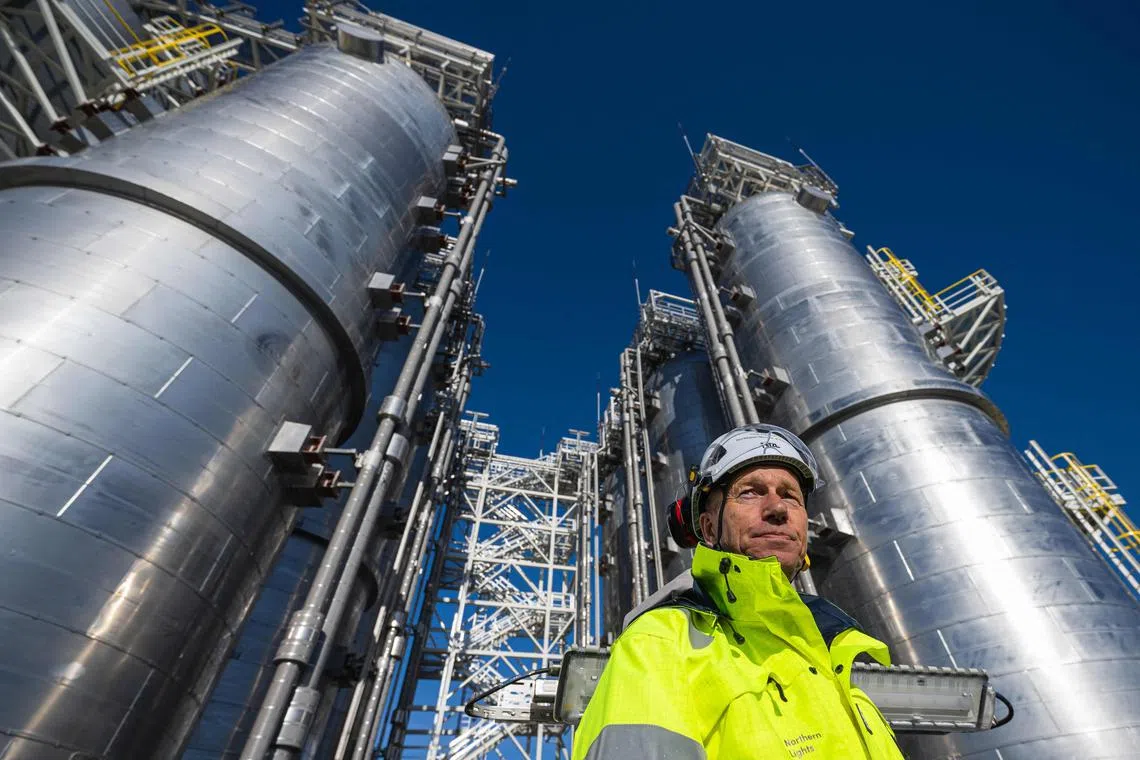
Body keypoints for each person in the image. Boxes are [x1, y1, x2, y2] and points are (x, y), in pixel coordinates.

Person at [572, 424, 905, 760]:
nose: (778, 508)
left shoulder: (834, 653)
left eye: (791, 495)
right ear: (707, 528)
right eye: (750, 492)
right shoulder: (662, 642)